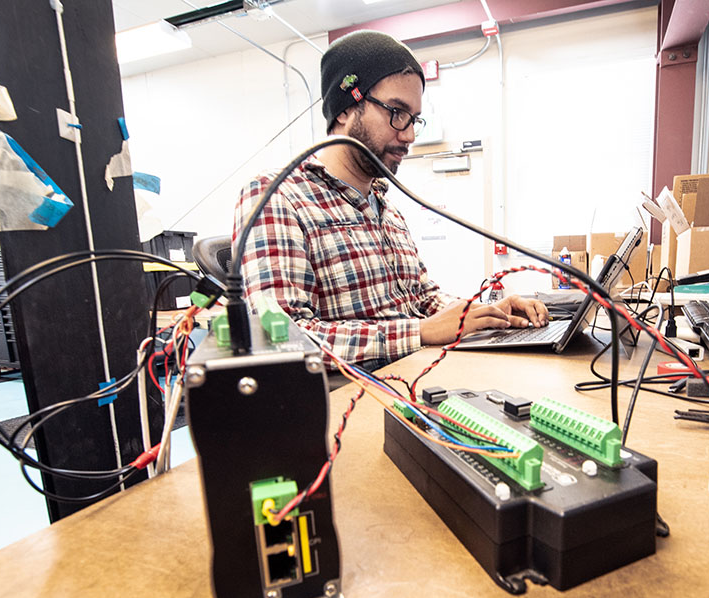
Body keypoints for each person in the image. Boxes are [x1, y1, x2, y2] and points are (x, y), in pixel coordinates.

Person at [233, 30, 548, 369]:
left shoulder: (386, 208)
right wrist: (420, 332)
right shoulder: (277, 195)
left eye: (414, 119)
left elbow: (424, 299)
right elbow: (283, 338)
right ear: (345, 109)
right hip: (351, 394)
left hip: (414, 373)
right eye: (396, 112)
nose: (409, 135)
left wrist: (488, 311)